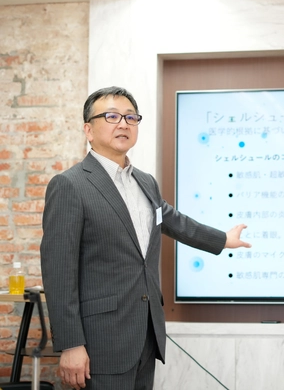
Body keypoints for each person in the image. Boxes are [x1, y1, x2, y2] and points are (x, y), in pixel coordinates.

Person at [40, 86, 252, 390]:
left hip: (145, 334)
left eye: (131, 117)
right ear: (88, 130)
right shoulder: (69, 185)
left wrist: (222, 239)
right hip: (100, 341)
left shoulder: (145, 182)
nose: (123, 124)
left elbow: (173, 220)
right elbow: (58, 272)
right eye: (111, 116)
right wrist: (71, 344)